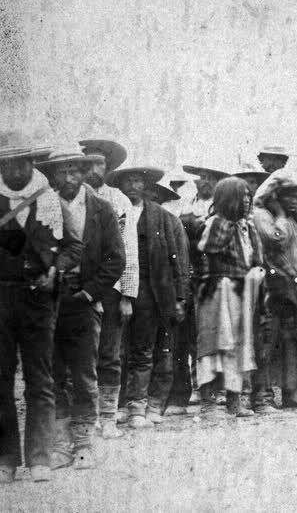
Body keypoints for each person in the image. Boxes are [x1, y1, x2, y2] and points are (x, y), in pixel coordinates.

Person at [35, 149, 123, 471]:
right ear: (53, 175)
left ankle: (84, 442)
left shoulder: (102, 208)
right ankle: (60, 442)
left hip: (84, 299)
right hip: (49, 300)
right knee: (54, 372)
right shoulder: (43, 206)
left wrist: (90, 293)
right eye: (62, 172)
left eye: (75, 171)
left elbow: (116, 259)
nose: (69, 178)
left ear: (85, 172)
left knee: (84, 373)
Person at [0, 132, 73, 483]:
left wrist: (56, 270)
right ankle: (6, 458)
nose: (15, 171)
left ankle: (40, 457)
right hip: (1, 299)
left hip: (38, 301)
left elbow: (73, 246)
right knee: (0, 379)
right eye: (7, 165)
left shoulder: (50, 200)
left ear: (32, 163)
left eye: (21, 163)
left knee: (40, 379)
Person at [110, 165, 190, 427]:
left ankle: (151, 404)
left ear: (145, 186)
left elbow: (179, 261)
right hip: (120, 288)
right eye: (127, 181)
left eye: (138, 181)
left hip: (155, 291)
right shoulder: (114, 213)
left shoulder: (165, 219)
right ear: (120, 186)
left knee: (155, 349)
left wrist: (180, 298)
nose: (133, 186)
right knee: (120, 350)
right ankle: (124, 403)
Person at [78, 138, 138, 434]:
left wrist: (128, 294)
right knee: (80, 354)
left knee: (110, 353)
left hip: (111, 287)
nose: (93, 169)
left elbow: (128, 248)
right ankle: (83, 418)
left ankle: (108, 417)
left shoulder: (118, 200)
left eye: (99, 163)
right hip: (80, 288)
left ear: (108, 167)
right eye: (87, 163)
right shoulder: (72, 196)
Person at [195, 177, 265, 418]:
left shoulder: (248, 227)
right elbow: (208, 250)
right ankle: (208, 404)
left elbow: (257, 259)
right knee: (212, 346)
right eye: (240, 196)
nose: (246, 200)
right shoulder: (217, 223)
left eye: (248, 196)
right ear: (227, 199)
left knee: (238, 347)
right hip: (217, 291)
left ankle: (234, 402)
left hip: (242, 292)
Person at [253, 175, 297, 409]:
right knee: (269, 340)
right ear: (277, 198)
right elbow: (273, 250)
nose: (293, 200)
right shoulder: (268, 219)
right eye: (288, 196)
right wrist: (293, 276)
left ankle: (291, 393)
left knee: (296, 340)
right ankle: (264, 395)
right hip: (275, 287)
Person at [174, 165, 230, 414]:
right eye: (201, 177)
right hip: (192, 275)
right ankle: (199, 385)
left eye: (211, 178)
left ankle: (220, 387)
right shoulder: (185, 205)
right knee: (193, 334)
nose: (205, 182)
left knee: (218, 334)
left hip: (217, 276)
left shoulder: (223, 209)